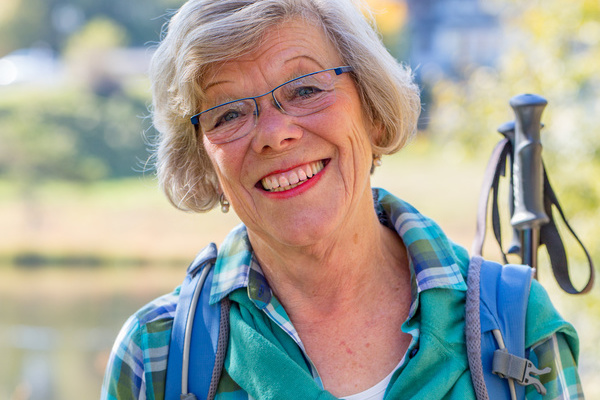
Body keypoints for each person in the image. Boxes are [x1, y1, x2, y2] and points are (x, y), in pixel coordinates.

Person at [101, 0, 582, 399]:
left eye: (306, 88)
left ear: (372, 111)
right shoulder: (158, 356)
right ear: (206, 160)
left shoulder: (514, 323)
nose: (274, 134)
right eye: (228, 114)